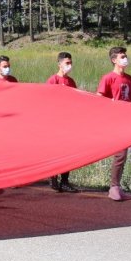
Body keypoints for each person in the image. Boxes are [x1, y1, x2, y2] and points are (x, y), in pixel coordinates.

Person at [97, 46, 131, 201]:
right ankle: (114, 187)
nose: (125, 59)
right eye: (122, 56)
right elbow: (99, 97)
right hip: (115, 121)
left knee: (123, 155)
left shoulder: (130, 79)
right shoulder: (108, 78)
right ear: (114, 60)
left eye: (125, 56)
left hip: (128, 121)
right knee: (120, 154)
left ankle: (117, 185)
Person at [46, 52, 78, 192]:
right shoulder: (53, 80)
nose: (69, 66)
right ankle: (53, 176)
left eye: (70, 63)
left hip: (69, 121)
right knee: (55, 150)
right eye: (67, 63)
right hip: (54, 121)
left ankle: (65, 180)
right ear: (59, 64)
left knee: (68, 151)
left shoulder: (71, 82)